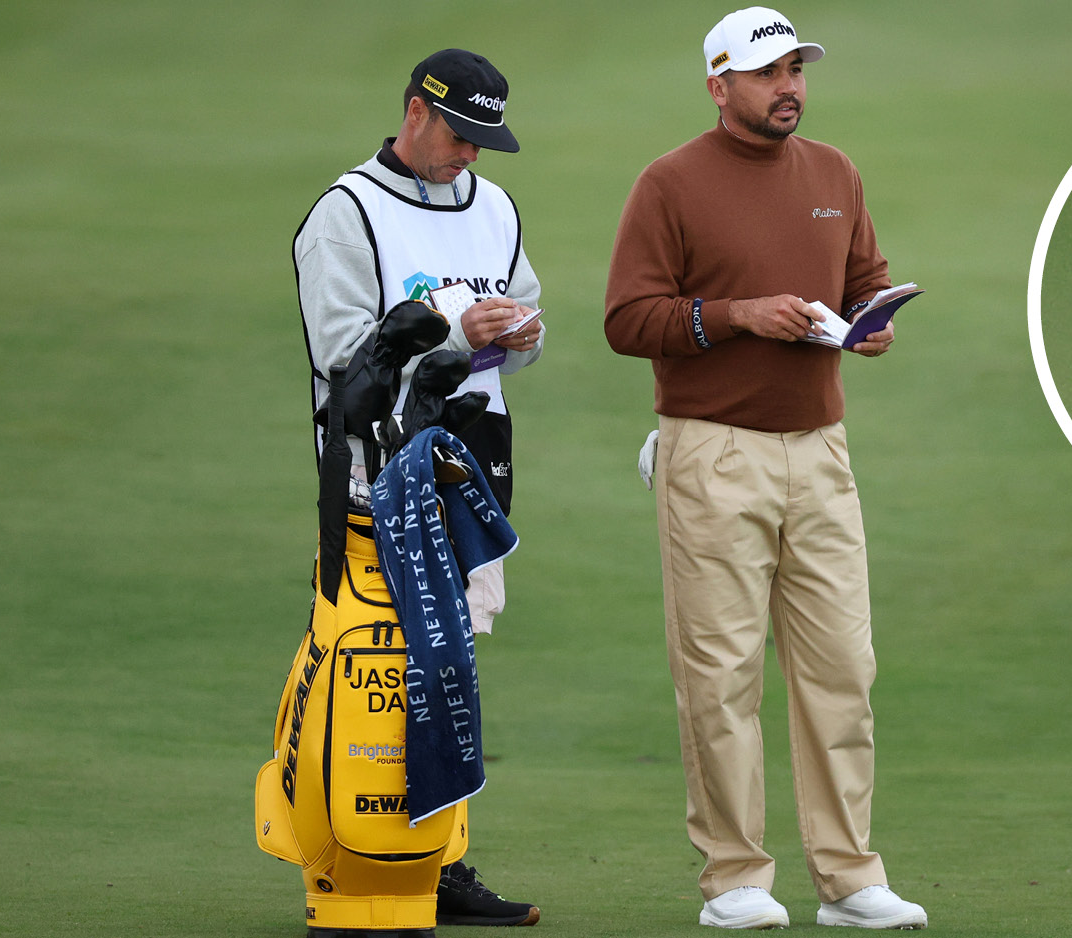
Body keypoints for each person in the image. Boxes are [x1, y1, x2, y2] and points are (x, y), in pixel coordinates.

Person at [604, 7, 926, 931]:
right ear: (719, 85)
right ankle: (734, 879)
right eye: (765, 72)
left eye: (794, 69)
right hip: (711, 448)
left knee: (841, 667)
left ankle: (849, 878)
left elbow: (866, 276)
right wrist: (737, 315)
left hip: (820, 449)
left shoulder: (834, 171)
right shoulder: (669, 183)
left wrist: (873, 322)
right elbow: (629, 320)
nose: (788, 86)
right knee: (719, 673)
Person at [293, 47, 543, 928]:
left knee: (452, 663)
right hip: (378, 476)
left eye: (484, 141)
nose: (470, 156)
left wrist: (514, 331)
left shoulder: (496, 209)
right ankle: (361, 857)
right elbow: (346, 366)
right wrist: (452, 342)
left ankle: (438, 862)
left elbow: (526, 325)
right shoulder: (346, 214)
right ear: (414, 111)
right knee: (387, 669)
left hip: (472, 466)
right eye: (460, 136)